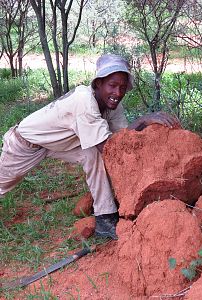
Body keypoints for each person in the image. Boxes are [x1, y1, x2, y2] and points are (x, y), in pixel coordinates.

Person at [0, 54, 179, 240]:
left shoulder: (113, 106)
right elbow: (111, 149)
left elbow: (122, 138)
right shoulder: (84, 101)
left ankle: (105, 217)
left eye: (123, 87)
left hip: (59, 143)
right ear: (98, 83)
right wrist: (143, 120)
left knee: (91, 154)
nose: (118, 93)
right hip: (24, 143)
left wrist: (146, 129)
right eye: (112, 85)